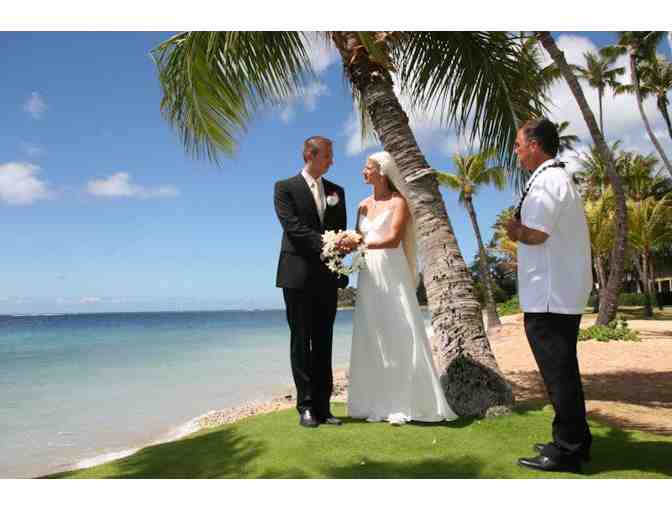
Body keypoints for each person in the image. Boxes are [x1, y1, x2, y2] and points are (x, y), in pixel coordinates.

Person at [505, 118, 593, 472]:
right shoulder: (553, 178)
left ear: (535, 145)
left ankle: (567, 449)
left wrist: (515, 231)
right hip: (556, 290)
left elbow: (537, 234)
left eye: (518, 145)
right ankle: (577, 441)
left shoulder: (548, 181)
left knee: (558, 372)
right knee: (563, 368)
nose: (515, 151)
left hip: (550, 294)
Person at [347, 151, 457, 425]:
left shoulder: (399, 202)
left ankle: (408, 401)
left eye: (368, 167)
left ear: (382, 172)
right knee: (372, 332)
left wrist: (361, 243)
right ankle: (375, 401)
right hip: (368, 273)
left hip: (391, 270)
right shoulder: (361, 205)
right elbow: (356, 236)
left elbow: (394, 238)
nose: (363, 171)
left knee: (398, 328)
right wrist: (342, 243)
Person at [274, 136, 349, 428]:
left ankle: (323, 407)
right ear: (310, 154)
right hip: (296, 275)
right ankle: (305, 406)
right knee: (300, 341)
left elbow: (340, 230)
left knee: (323, 342)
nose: (332, 161)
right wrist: (327, 243)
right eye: (327, 155)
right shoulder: (284, 188)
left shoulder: (337, 191)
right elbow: (292, 228)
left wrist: (342, 252)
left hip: (327, 278)